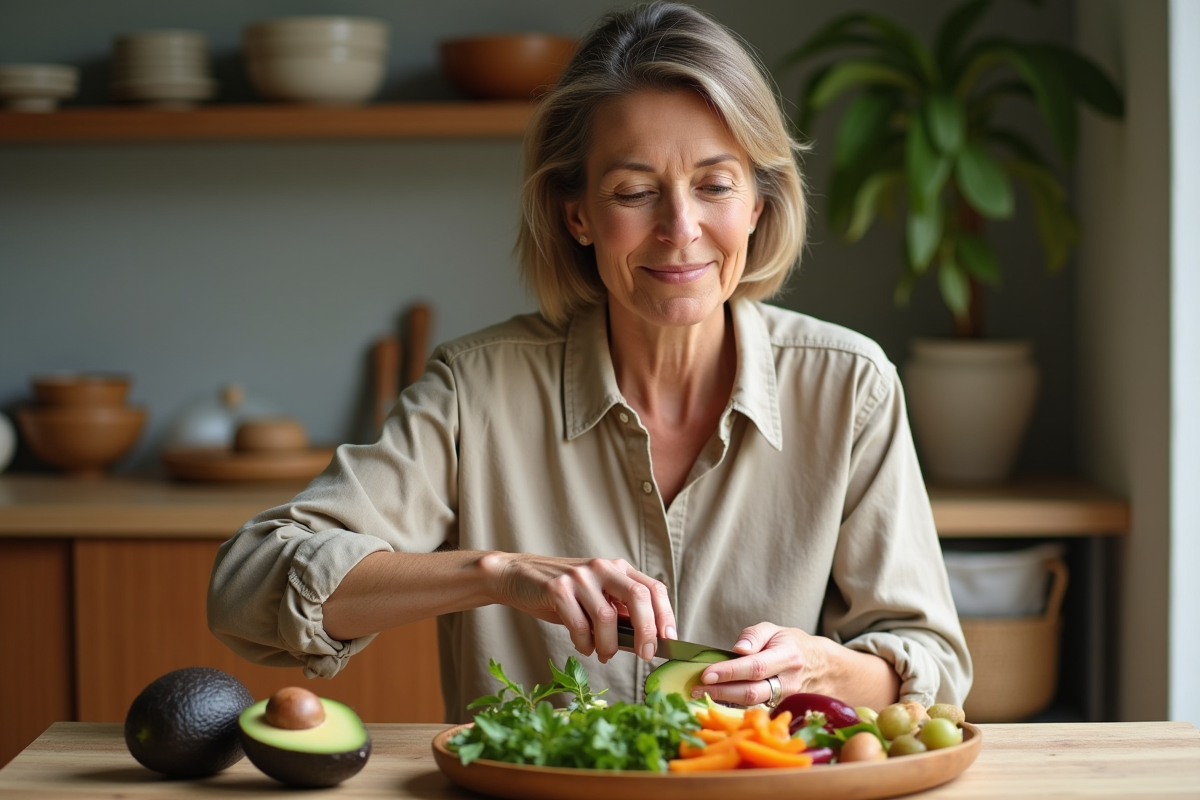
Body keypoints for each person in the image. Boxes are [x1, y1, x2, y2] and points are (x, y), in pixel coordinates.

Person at [208, 1, 971, 722]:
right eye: (635, 190)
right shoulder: (475, 389)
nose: (680, 229)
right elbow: (249, 586)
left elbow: (930, 662)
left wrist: (821, 670)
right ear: (578, 214)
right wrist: (500, 574)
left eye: (715, 186)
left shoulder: (850, 386)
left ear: (758, 206)